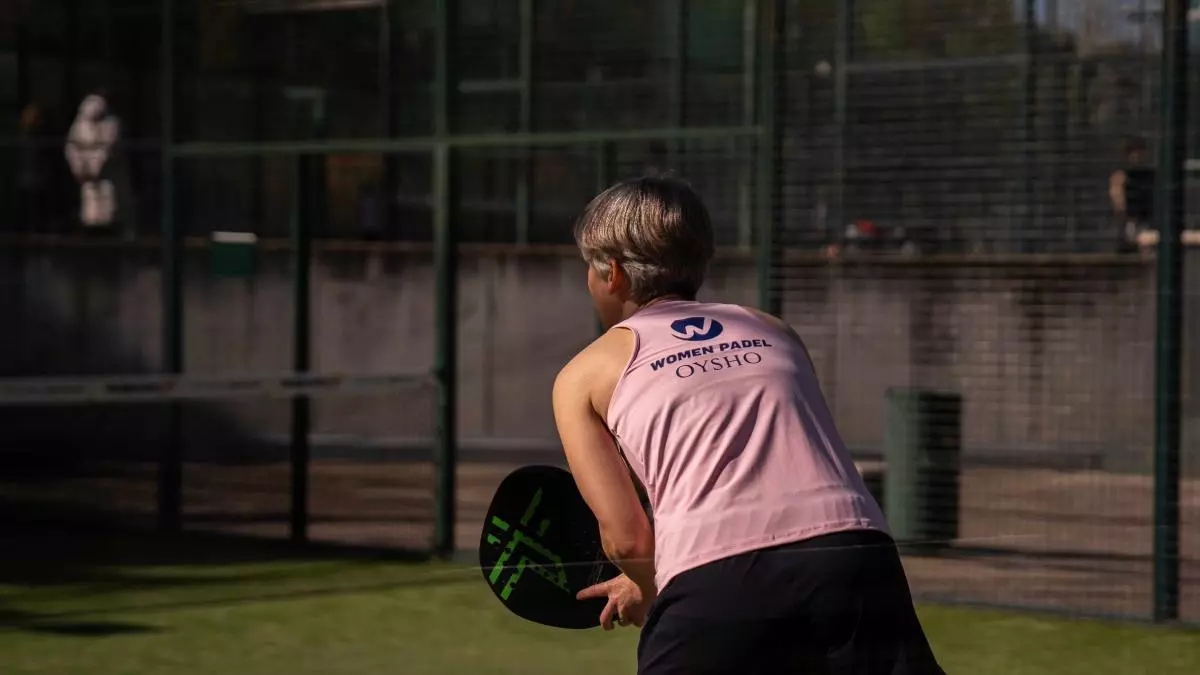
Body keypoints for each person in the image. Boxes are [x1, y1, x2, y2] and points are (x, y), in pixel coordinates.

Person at [552, 176, 944, 674]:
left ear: (612, 273)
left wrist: (650, 588)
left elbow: (629, 541)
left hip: (718, 580)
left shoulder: (583, 375)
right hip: (855, 554)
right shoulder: (773, 330)